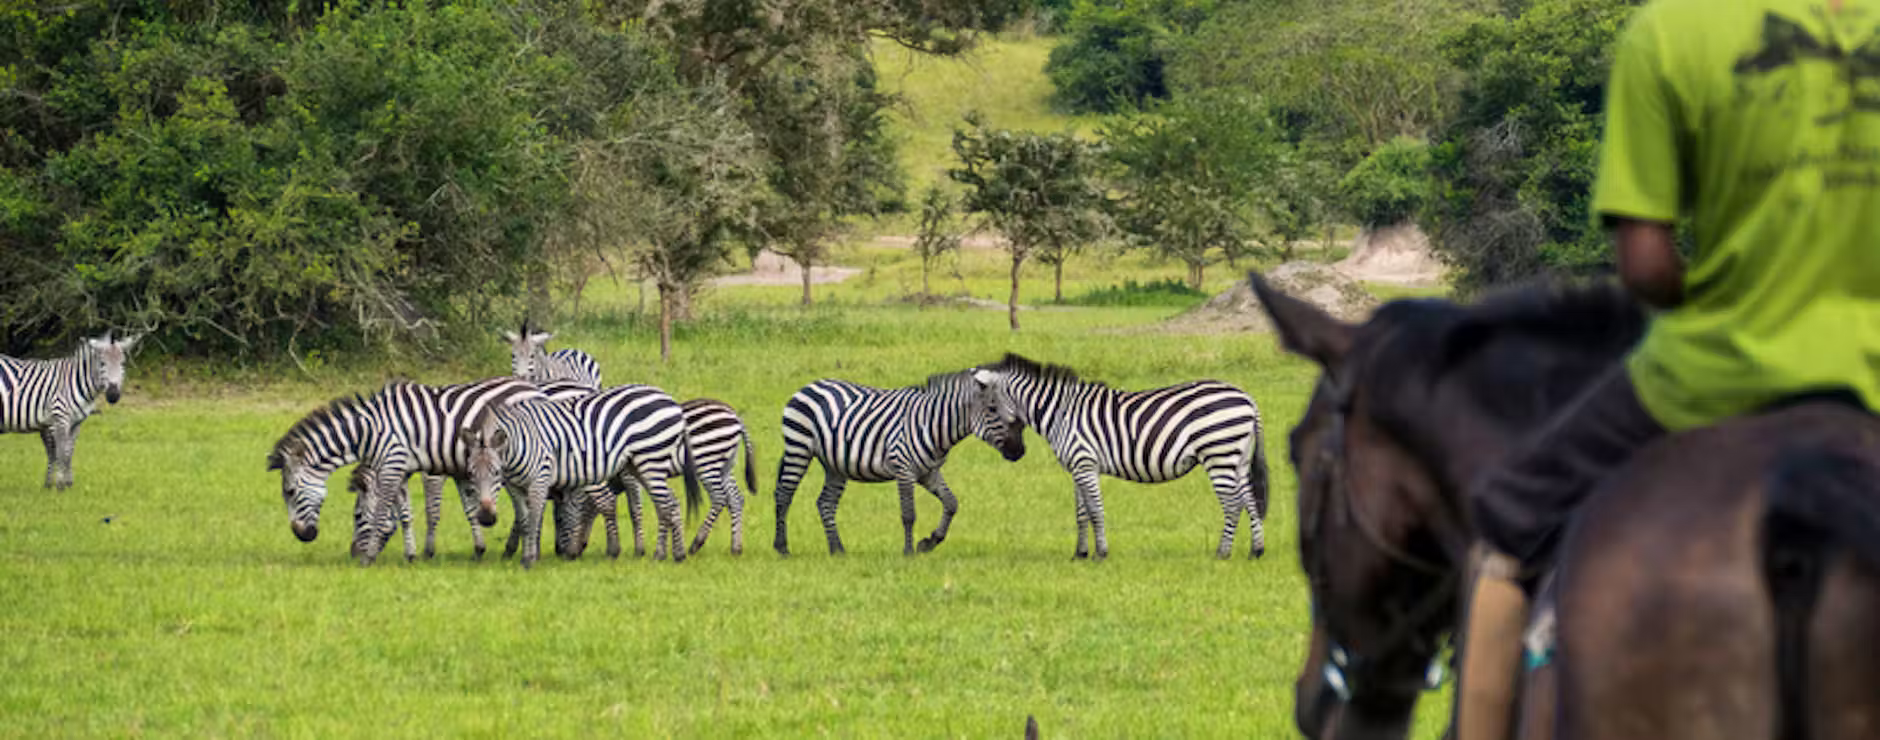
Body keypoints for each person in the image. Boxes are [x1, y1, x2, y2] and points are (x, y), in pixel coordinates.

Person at [1454, 0, 1880, 737]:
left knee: (1505, 523)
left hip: (1709, 371)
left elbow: (1646, 265)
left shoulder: (1672, 30)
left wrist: (1728, 297)